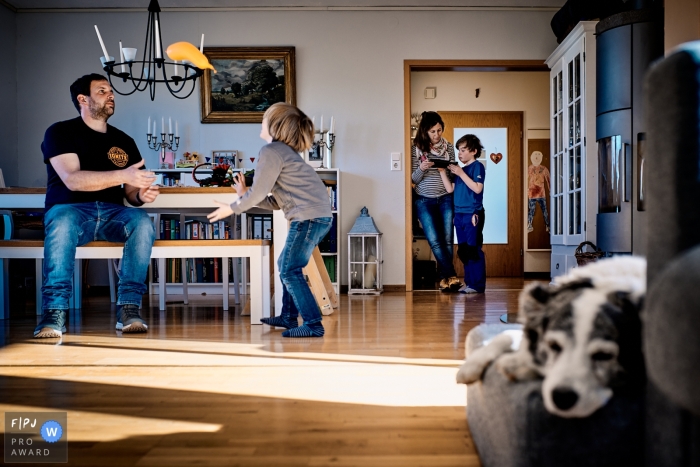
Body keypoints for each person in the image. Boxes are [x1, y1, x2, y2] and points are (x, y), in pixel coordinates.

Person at [35, 73, 160, 338]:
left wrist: (142, 195)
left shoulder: (124, 141)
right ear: (83, 98)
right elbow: (72, 180)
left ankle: (129, 307)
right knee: (63, 220)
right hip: (71, 210)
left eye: (111, 91)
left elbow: (131, 193)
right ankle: (54, 311)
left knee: (141, 221)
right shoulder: (60, 132)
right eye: (103, 91)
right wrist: (123, 176)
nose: (111, 95)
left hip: (113, 213)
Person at [207, 103, 332, 338]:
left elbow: (258, 192)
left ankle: (314, 324)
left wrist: (233, 207)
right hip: (316, 216)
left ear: (275, 126)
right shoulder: (285, 154)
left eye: (264, 118)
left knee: (289, 269)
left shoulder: (272, 151)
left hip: (308, 218)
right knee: (286, 264)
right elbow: (276, 201)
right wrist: (245, 196)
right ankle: (288, 316)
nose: (261, 122)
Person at [411, 111, 463, 292]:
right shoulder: (415, 148)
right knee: (434, 240)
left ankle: (444, 279)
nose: (437, 135)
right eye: (433, 131)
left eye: (439, 130)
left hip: (446, 198)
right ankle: (452, 275)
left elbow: (450, 174)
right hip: (423, 200)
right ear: (425, 131)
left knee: (448, 240)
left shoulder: (448, 147)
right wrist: (422, 168)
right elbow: (413, 179)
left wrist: (446, 169)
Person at [446, 134, 486, 294]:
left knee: (473, 249)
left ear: (474, 151)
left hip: (472, 214)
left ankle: (477, 285)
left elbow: (477, 188)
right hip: (459, 214)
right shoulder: (459, 170)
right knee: (463, 250)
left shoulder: (477, 166)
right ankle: (469, 283)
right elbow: (450, 189)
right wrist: (443, 171)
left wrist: (461, 173)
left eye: (463, 150)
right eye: (459, 150)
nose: (460, 153)